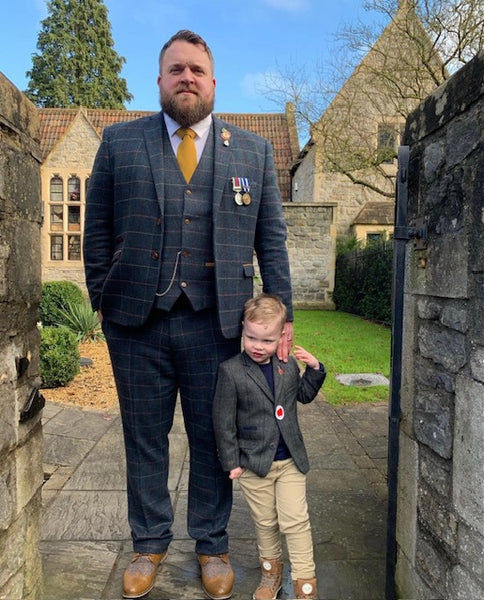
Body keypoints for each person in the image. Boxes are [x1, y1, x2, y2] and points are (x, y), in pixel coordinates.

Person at [83, 30, 293, 600]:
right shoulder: (119, 142)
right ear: (159, 80)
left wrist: (284, 316)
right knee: (143, 438)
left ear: (213, 81)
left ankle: (212, 544)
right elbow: (96, 229)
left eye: (197, 70)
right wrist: (101, 297)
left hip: (218, 324)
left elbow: (271, 241)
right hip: (135, 323)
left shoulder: (253, 151)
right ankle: (148, 543)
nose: (187, 78)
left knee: (213, 438)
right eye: (176, 69)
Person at [213, 293, 325, 600]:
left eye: (267, 340)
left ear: (280, 337)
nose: (258, 346)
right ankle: (270, 573)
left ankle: (305, 582)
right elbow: (223, 420)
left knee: (295, 520)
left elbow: (301, 396)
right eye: (251, 338)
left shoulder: (286, 366)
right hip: (254, 464)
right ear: (243, 332)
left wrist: (315, 370)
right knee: (265, 522)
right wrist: (231, 461)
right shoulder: (231, 371)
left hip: (290, 461)